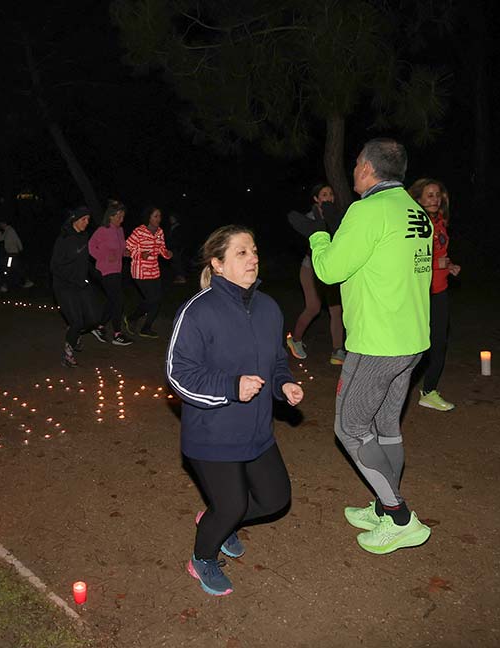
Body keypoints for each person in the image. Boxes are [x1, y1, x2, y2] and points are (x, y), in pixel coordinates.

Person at [305, 138, 434, 555]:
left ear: (366, 168)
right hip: (412, 339)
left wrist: (318, 236)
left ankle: (399, 517)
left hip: (377, 342)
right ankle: (383, 504)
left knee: (350, 428)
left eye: (356, 164)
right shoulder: (415, 210)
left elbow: (328, 271)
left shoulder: (367, 210)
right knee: (385, 426)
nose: (354, 170)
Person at [167, 225, 304, 596]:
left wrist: (282, 384)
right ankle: (202, 557)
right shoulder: (198, 311)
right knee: (231, 505)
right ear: (218, 264)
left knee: (276, 498)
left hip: (256, 430)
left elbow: (276, 360)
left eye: (254, 250)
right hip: (212, 434)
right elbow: (178, 374)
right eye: (242, 252)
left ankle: (217, 519)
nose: (253, 258)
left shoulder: (268, 308)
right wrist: (230, 387)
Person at [408, 178, 461, 411]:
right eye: (429, 195)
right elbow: (408, 260)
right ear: (418, 199)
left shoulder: (440, 221)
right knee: (414, 345)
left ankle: (429, 391)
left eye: (438, 195)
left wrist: (448, 265)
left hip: (439, 290)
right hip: (419, 292)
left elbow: (440, 253)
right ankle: (395, 388)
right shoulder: (414, 224)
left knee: (439, 343)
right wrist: (436, 264)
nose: (435, 199)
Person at [286, 183, 346, 365]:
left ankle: (338, 351)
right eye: (324, 194)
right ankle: (295, 340)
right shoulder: (309, 218)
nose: (328, 197)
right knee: (313, 307)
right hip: (310, 269)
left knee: (336, 310)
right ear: (316, 199)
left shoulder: (338, 217)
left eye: (330, 194)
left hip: (331, 268)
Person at [51, 207, 103, 367]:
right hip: (64, 286)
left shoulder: (84, 236)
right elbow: (54, 266)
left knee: (94, 319)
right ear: (74, 220)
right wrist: (70, 278)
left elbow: (84, 261)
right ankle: (68, 354)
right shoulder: (64, 239)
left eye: (88, 219)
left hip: (81, 283)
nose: (87, 222)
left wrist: (97, 274)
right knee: (77, 321)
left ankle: (75, 333)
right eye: (83, 219)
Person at [88, 201, 133, 346]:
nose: (121, 219)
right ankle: (117, 334)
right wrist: (104, 257)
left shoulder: (120, 230)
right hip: (105, 270)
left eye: (123, 216)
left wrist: (125, 253)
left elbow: (121, 249)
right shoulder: (103, 230)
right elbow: (91, 247)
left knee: (112, 300)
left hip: (117, 269)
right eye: (119, 216)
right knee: (118, 300)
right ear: (110, 216)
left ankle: (99, 326)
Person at [124, 205, 172, 338]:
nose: (158, 219)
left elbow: (161, 248)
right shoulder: (139, 231)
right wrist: (140, 254)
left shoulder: (160, 232)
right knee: (152, 299)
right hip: (140, 271)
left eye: (159, 216)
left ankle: (146, 328)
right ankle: (132, 318)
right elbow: (126, 250)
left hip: (154, 270)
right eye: (155, 216)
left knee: (157, 300)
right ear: (148, 218)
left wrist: (167, 254)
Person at [0, 221, 33, 291]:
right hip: (11, 254)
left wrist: (20, 248)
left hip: (12, 254)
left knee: (8, 268)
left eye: (1, 224)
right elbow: (0, 239)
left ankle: (5, 286)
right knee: (16, 268)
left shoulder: (10, 230)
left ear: (4, 223)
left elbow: (17, 239)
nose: (0, 225)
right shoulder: (6, 231)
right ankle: (26, 281)